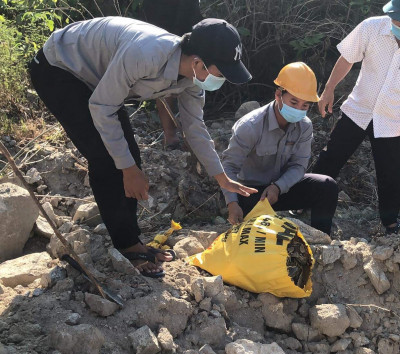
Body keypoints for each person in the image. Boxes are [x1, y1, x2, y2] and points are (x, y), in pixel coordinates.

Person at [28, 17, 257, 277]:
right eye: (221, 72)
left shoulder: (193, 80)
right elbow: (102, 108)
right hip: (58, 66)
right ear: (197, 62)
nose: (222, 79)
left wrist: (221, 177)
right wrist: (128, 170)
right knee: (107, 157)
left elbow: (195, 128)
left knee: (127, 156)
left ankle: (129, 238)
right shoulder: (146, 55)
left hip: (95, 78)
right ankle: (127, 245)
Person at [313, 0, 400, 234]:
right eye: (399, 20)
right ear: (390, 13)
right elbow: (347, 58)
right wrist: (329, 89)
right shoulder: (371, 28)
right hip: (358, 110)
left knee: (389, 174)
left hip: (391, 120)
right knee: (330, 159)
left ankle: (390, 223)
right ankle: (308, 204)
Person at [221, 62, 339, 235]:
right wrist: (232, 204)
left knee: (326, 186)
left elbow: (299, 166)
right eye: (294, 102)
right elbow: (229, 168)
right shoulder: (250, 126)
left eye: (305, 105)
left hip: (281, 190)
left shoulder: (305, 126)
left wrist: (278, 186)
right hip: (251, 193)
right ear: (278, 95)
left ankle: (320, 241)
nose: (299, 109)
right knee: (245, 212)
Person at [140, 0, 203, 149]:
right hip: (158, 17)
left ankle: (192, 137)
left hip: (187, 15)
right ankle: (170, 135)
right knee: (162, 75)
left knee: (192, 71)